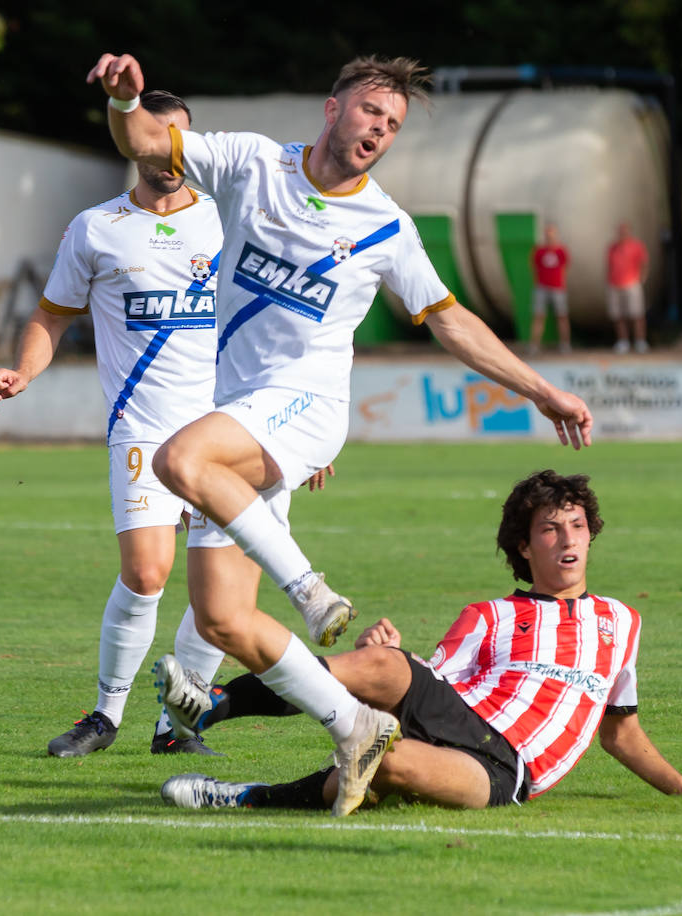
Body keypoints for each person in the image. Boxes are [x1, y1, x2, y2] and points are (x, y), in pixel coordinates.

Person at [86, 52, 595, 815]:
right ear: (333, 109)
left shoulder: (386, 225)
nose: (379, 131)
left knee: (179, 457)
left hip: (307, 410)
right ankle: (353, 725)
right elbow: (146, 146)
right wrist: (126, 101)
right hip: (248, 418)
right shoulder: (255, 164)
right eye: (370, 113)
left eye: (391, 125)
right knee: (222, 619)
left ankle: (311, 589)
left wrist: (541, 388)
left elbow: (450, 320)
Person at [155, 470, 682, 810]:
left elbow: (620, 729)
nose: (568, 539)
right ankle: (210, 706)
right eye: (550, 528)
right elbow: (427, 678)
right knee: (383, 668)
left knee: (386, 763)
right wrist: (381, 648)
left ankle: (244, 797)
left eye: (578, 525)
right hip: (463, 713)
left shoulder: (622, 621)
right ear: (524, 547)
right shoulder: (488, 615)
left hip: (509, 773)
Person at [0, 90, 228, 757]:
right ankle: (106, 715)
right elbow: (52, 315)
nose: (170, 153)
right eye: (158, 137)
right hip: (142, 428)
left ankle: (176, 727)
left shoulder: (227, 221)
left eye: (181, 140)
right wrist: (24, 372)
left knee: (218, 587)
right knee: (147, 573)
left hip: (222, 432)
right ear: (135, 142)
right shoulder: (97, 228)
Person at [606, 221, 649, 354]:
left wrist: (641, 279)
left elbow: (644, 263)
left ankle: (640, 341)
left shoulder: (637, 246)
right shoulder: (612, 247)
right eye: (620, 231)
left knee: (637, 315)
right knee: (618, 316)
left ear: (629, 232)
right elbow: (609, 266)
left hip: (632, 284)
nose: (622, 233)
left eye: (625, 231)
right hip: (615, 284)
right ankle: (623, 342)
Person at [529, 222, 571, 354]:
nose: (549, 238)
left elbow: (565, 267)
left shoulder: (561, 251)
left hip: (558, 288)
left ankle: (565, 344)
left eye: (552, 235)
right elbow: (534, 266)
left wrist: (559, 282)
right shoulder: (539, 251)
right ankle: (534, 345)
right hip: (542, 288)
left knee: (562, 316)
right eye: (547, 235)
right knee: (539, 316)